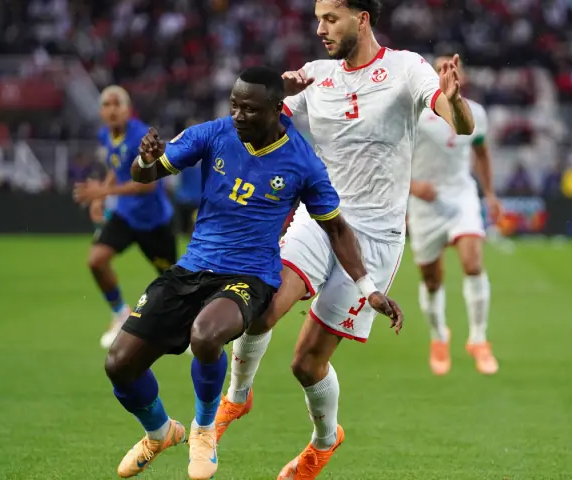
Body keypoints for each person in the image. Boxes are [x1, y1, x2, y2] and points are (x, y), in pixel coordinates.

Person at [103, 66, 402, 480]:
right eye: (234, 105)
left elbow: (336, 227)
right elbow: (148, 173)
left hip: (250, 277)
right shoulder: (213, 133)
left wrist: (368, 288)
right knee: (118, 364)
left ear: (278, 110)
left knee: (206, 335)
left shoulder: (302, 161)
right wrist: (144, 160)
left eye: (249, 108)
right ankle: (159, 432)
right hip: (192, 267)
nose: (239, 115)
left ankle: (204, 428)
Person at [216, 1, 475, 478]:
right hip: (321, 218)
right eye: (317, 18)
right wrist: (271, 98)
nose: (320, 29)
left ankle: (323, 440)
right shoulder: (316, 75)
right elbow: (254, 129)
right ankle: (235, 398)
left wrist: (453, 99)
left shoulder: (406, 69)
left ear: (362, 18)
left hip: (376, 238)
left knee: (305, 365)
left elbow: (459, 123)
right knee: (262, 308)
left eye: (330, 18)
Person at [408, 55, 502, 376]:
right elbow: (391, 157)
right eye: (439, 70)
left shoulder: (476, 113)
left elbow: (482, 153)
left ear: (460, 75)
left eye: (451, 69)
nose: (445, 74)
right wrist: (412, 186)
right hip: (424, 202)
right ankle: (438, 336)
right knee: (432, 279)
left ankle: (478, 338)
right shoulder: (416, 114)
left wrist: (489, 194)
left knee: (473, 262)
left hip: (461, 195)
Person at [73, 86, 177, 349]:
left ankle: (186, 326)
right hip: (125, 216)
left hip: (154, 222)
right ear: (101, 112)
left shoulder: (141, 137)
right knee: (96, 261)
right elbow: (115, 166)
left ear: (127, 109)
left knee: (174, 282)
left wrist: (103, 191)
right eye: (107, 105)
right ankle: (120, 312)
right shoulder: (106, 136)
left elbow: (149, 184)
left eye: (117, 104)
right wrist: (100, 197)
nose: (112, 109)